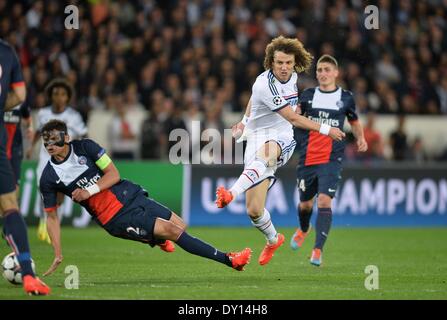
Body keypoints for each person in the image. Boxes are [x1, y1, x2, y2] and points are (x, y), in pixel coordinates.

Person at [39, 119, 252, 276]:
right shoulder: (49, 177)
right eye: (46, 141)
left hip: (128, 194)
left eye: (55, 139)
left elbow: (113, 175)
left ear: (66, 138)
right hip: (114, 216)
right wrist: (57, 252)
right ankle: (229, 260)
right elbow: (51, 216)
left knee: (181, 225)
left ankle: (156, 239)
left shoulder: (86, 147)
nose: (50, 145)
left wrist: (88, 191)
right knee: (173, 231)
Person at [214, 36, 345, 266]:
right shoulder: (263, 84)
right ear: (271, 63)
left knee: (266, 154)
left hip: (282, 138)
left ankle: (231, 193)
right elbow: (288, 114)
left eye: (288, 63)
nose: (284, 68)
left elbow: (289, 120)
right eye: (279, 63)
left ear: (294, 63)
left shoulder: (292, 77)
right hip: (256, 138)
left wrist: (243, 120)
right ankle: (274, 239)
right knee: (254, 210)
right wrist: (326, 129)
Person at [290, 55, 368, 266]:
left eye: (327, 70)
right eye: (319, 70)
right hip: (307, 157)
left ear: (336, 73)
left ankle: (317, 250)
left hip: (331, 159)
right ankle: (304, 229)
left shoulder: (346, 97)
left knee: (324, 201)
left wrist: (360, 138)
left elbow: (354, 121)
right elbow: (295, 119)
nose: (323, 74)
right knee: (305, 204)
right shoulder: (307, 96)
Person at [0, 39, 50, 295]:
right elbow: (20, 95)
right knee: (10, 207)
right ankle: (29, 276)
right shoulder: (7, 52)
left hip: (11, 151)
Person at [27, 78, 88, 243]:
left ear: (68, 97)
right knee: (44, 191)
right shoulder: (43, 113)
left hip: (65, 162)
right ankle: (43, 220)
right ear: (51, 96)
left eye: (62, 94)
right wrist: (31, 148)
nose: (59, 97)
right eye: (56, 94)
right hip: (45, 160)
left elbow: (83, 135)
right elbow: (39, 132)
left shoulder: (73, 116)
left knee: (59, 195)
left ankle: (53, 224)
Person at [3, 95, 34, 190]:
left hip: (15, 149)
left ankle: (13, 203)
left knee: (15, 184)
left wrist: (30, 127)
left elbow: (28, 118)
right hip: (2, 148)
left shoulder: (20, 101)